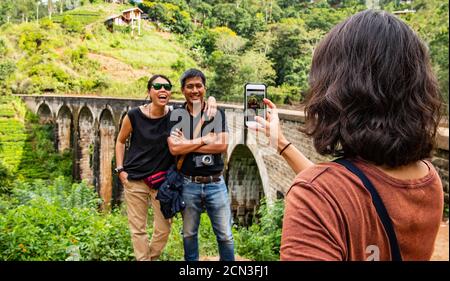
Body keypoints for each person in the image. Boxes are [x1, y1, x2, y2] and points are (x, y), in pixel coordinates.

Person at [251, 10, 443, 261]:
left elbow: (332, 194)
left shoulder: (317, 194)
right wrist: (281, 143)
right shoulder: (429, 180)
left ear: (337, 90)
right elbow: (345, 193)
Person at [115, 74, 217, 261]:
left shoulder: (176, 114)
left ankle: (150, 259)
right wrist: (120, 169)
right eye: (158, 86)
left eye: (167, 87)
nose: (163, 90)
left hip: (162, 183)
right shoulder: (134, 115)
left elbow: (196, 104)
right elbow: (120, 141)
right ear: (149, 91)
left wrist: (211, 99)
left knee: (163, 229)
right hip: (135, 179)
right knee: (138, 229)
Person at [167, 68, 235, 261]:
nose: (194, 90)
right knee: (188, 234)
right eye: (190, 86)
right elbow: (174, 149)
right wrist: (206, 139)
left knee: (225, 235)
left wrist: (186, 144)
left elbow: (222, 145)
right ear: (182, 90)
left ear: (205, 88)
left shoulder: (217, 113)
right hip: (188, 183)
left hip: (216, 183)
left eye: (198, 86)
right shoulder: (176, 115)